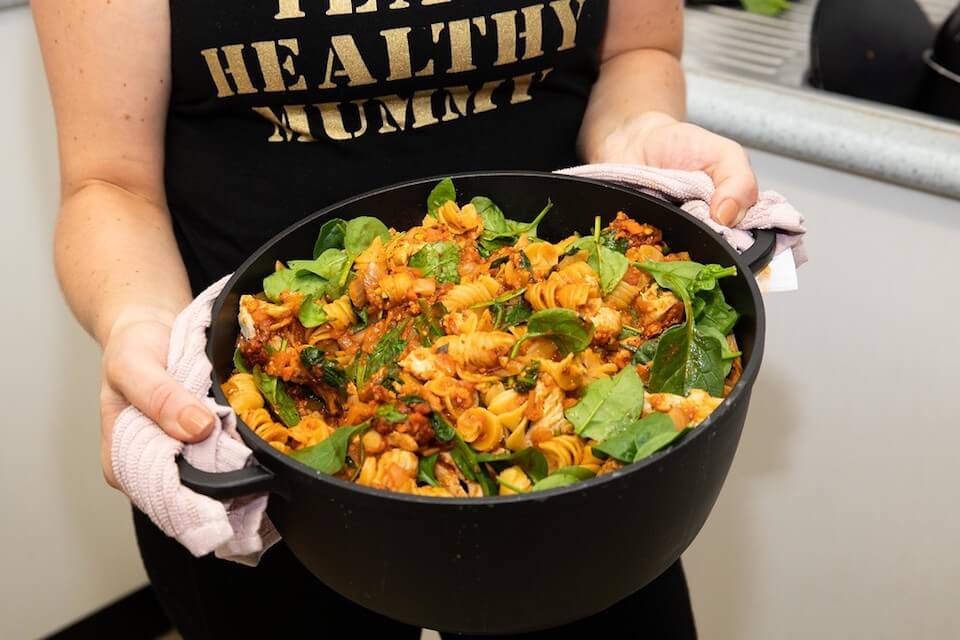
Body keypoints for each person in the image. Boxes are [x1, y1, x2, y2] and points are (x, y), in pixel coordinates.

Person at [34, 1, 757, 637]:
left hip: (587, 428)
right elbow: (108, 180)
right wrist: (136, 320)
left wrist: (640, 131)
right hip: (275, 445)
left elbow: (637, 51)